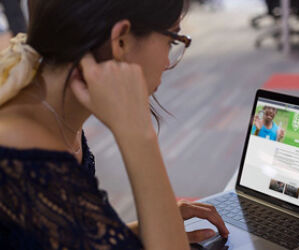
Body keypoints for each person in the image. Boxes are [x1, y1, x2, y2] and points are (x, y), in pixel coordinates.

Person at [0, 0, 229, 249]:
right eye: (172, 40)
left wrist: (148, 228)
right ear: (120, 40)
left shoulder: (51, 113)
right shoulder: (26, 160)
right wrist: (139, 136)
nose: (167, 62)